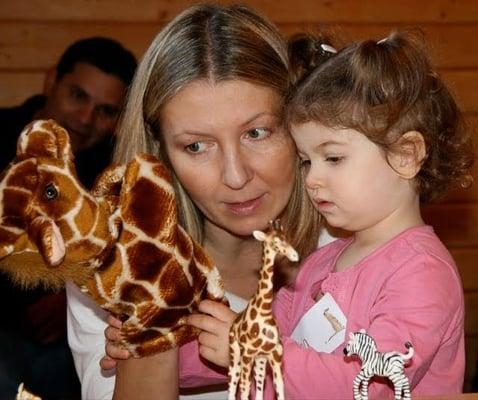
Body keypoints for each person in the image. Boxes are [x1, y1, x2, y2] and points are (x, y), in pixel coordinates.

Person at [104, 29, 474, 398]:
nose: (312, 179)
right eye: (306, 161)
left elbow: (367, 383)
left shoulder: (422, 274)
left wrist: (248, 353)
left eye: (333, 158)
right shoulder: (322, 262)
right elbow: (262, 337)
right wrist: (158, 347)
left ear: (405, 155)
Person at [65, 4, 323, 400]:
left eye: (257, 133)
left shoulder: (355, 239)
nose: (236, 176)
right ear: (159, 154)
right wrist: (154, 320)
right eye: (197, 146)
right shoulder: (106, 264)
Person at [0, 37, 137, 399]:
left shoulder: (116, 174)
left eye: (106, 111)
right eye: (78, 95)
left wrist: (71, 298)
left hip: (70, 338)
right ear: (50, 82)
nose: (85, 118)